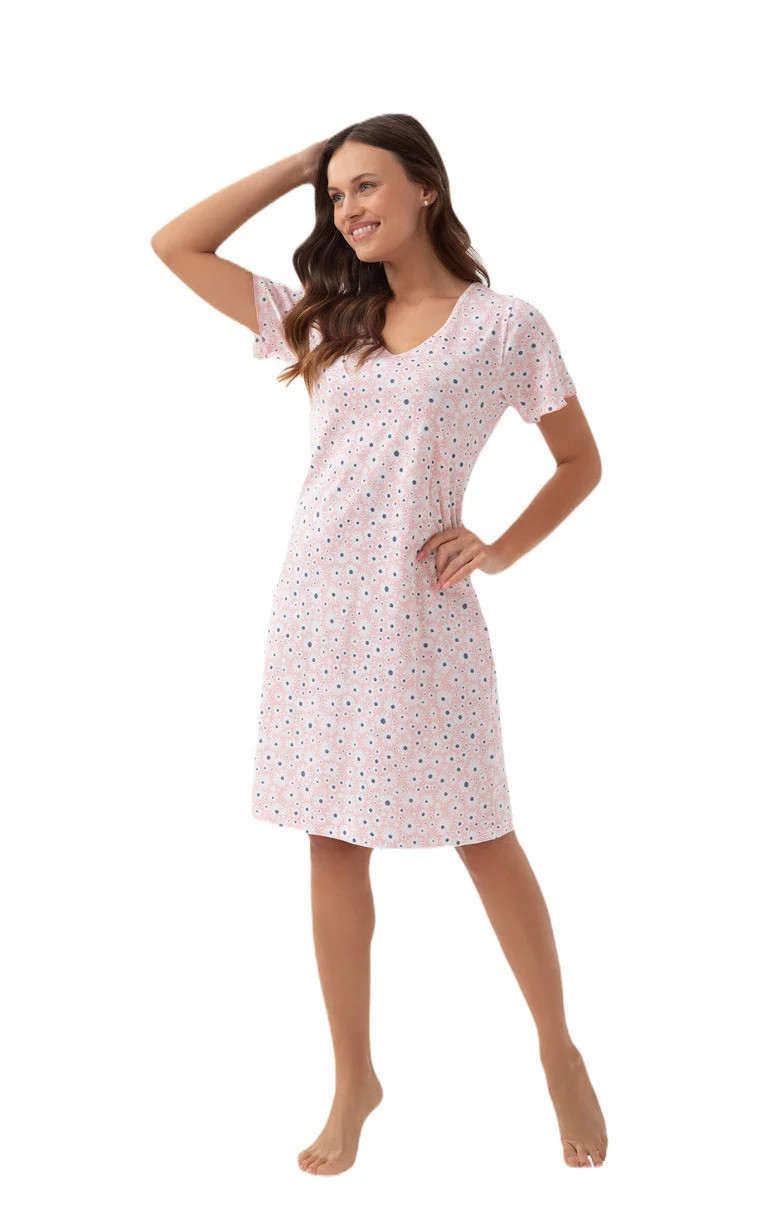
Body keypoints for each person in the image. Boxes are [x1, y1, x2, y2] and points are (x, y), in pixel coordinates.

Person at [151, 113, 606, 1174]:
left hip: (424, 617)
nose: (349, 209)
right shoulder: (326, 319)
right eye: (337, 194)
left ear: (426, 188)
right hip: (316, 613)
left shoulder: (505, 326)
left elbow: (580, 461)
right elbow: (176, 244)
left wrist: (499, 548)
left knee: (483, 833)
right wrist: (297, 166)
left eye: (367, 186)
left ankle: (557, 1046)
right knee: (332, 841)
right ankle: (353, 1078)